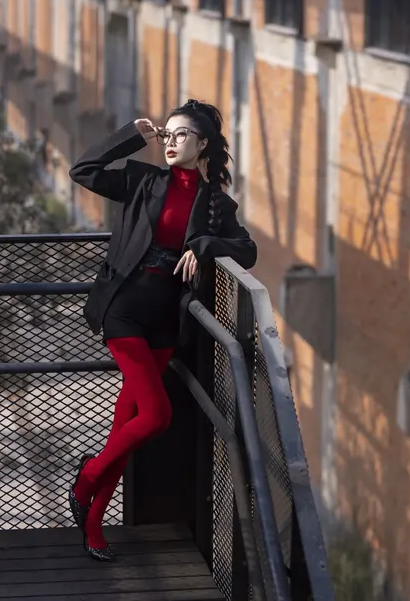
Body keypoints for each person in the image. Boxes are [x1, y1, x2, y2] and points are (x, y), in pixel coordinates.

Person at [67, 99, 257, 561]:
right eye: (166, 134)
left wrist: (206, 244)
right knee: (155, 416)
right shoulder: (143, 180)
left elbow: (247, 251)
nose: (170, 142)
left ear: (202, 144)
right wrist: (131, 135)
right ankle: (87, 479)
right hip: (124, 311)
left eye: (181, 135)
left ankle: (93, 522)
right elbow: (83, 170)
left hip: (166, 321)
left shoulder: (215, 205)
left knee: (125, 424)